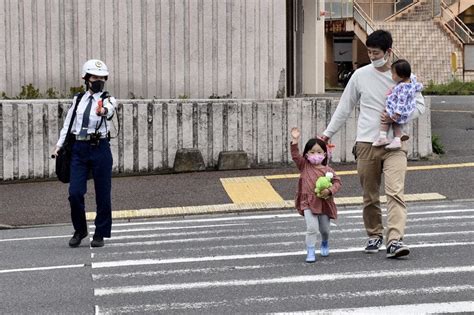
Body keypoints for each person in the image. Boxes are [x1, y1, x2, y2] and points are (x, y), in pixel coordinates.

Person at [320, 30, 425, 258]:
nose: (371, 56)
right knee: (370, 195)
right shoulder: (360, 75)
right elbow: (344, 107)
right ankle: (374, 234)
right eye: (368, 52)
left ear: (388, 52)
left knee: (395, 192)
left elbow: (420, 106)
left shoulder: (405, 75)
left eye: (375, 52)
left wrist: (399, 116)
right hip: (367, 142)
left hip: (395, 144)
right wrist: (326, 135)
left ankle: (395, 240)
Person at [52, 59, 116, 248]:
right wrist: (59, 145)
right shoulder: (78, 99)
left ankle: (100, 233)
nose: (98, 81)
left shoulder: (108, 99)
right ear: (86, 78)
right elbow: (68, 123)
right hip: (78, 149)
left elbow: (110, 111)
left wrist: (103, 110)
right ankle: (80, 230)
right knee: (75, 193)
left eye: (102, 78)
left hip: (100, 148)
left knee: (103, 194)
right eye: (95, 77)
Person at [290, 127, 342, 263]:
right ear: (306, 154)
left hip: (324, 202)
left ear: (325, 154)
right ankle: (310, 250)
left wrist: (330, 191)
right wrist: (295, 140)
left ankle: (325, 242)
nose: (315, 155)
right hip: (307, 201)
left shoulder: (328, 170)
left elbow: (337, 182)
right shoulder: (304, 166)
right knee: (312, 228)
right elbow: (295, 156)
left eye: (319, 152)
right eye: (312, 152)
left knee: (324, 229)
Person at [372, 59, 423, 150]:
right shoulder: (411, 83)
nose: (392, 76)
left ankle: (383, 137)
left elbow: (401, 101)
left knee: (385, 118)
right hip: (406, 109)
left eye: (393, 74)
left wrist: (397, 113)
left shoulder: (403, 88)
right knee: (396, 124)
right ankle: (397, 139)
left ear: (402, 75)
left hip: (399, 110)